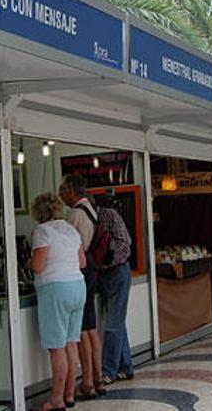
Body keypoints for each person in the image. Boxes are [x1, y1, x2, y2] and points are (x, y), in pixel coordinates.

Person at [28, 192, 86, 411]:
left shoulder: (42, 231)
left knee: (57, 347)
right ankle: (69, 394)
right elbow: (82, 262)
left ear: (39, 212)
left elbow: (39, 265)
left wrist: (28, 263)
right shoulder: (71, 230)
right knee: (71, 343)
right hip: (78, 287)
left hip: (55, 290)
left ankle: (56, 399)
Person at [58, 175, 105, 397]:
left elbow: (68, 245)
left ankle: (86, 382)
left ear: (71, 191)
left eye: (62, 189)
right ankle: (99, 378)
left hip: (81, 270)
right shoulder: (92, 210)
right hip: (92, 270)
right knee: (92, 329)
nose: (60, 194)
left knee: (82, 330)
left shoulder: (75, 214)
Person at [91, 196, 134, 386]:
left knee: (113, 325)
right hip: (106, 274)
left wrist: (106, 261)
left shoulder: (109, 215)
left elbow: (126, 243)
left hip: (117, 272)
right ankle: (125, 367)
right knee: (118, 323)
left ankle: (108, 371)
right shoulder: (89, 218)